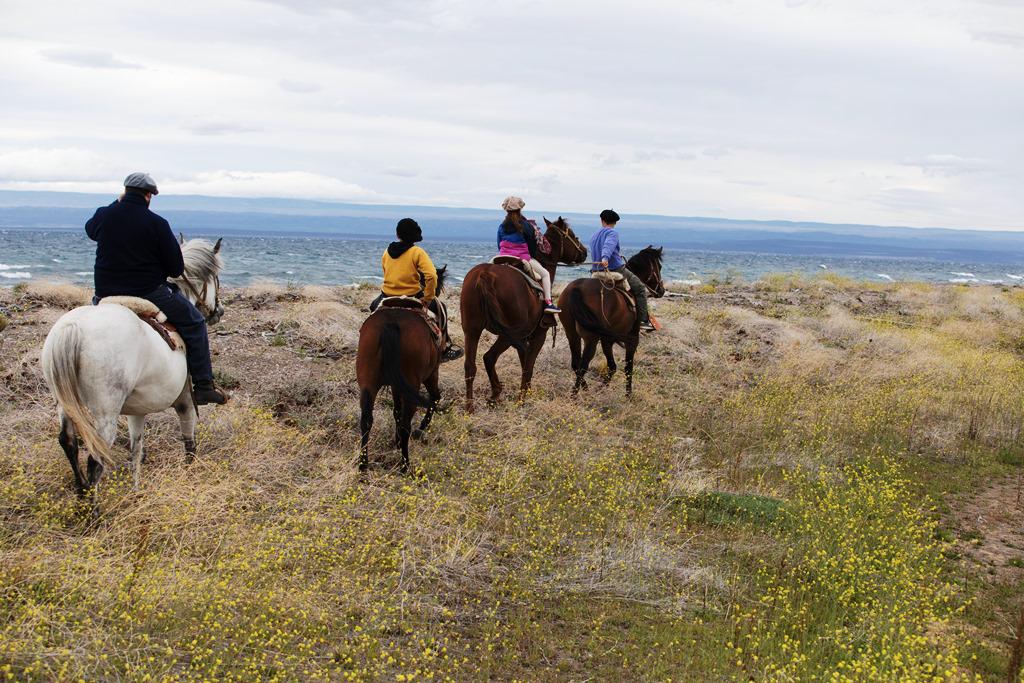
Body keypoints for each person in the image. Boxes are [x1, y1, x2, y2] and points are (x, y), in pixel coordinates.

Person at [85, 172, 229, 405]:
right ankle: (203, 386)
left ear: (124, 191)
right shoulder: (157, 223)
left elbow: (91, 230)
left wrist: (116, 203)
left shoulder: (104, 215)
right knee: (195, 322)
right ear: (149, 195)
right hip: (148, 292)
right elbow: (175, 269)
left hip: (105, 293)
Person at [370, 218, 463, 362]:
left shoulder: (386, 252)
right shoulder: (417, 252)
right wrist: (427, 298)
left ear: (397, 234)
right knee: (441, 309)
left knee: (373, 308)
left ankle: (371, 344)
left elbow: (386, 272)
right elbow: (432, 275)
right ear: (415, 236)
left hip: (387, 295)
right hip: (411, 296)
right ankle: (444, 348)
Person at [589, 209, 655, 332]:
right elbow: (608, 246)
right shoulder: (612, 233)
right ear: (615, 222)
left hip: (595, 270)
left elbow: (598, 249)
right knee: (640, 288)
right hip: (614, 269)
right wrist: (605, 257)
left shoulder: (594, 235)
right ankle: (643, 321)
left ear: (602, 220)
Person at [496, 196, 560, 313]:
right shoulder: (526, 225)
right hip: (522, 258)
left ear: (507, 210)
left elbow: (499, 244)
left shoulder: (501, 226)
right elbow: (532, 246)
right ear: (520, 209)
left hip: (502, 257)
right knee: (545, 274)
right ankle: (548, 303)